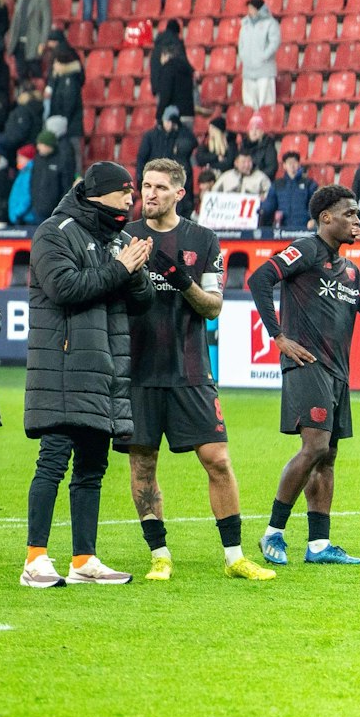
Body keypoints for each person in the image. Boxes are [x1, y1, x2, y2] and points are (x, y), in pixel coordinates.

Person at [123, 160, 276, 581]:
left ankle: (234, 557)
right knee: (143, 466)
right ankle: (160, 554)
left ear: (179, 193)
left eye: (158, 187)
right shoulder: (124, 238)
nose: (148, 194)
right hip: (137, 370)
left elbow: (213, 305)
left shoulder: (203, 240)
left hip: (190, 368)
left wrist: (181, 279)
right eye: (144, 186)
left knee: (218, 460)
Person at [22, 161, 155, 588]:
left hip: (104, 366)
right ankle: (35, 560)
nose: (131, 200)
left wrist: (132, 271)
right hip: (62, 366)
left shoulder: (118, 237)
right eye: (125, 192)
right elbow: (66, 288)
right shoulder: (53, 232)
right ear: (98, 194)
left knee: (92, 467)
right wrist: (121, 268)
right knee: (53, 461)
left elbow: (142, 301)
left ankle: (84, 559)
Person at [250, 185, 360, 567]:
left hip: (338, 372)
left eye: (358, 215)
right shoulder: (306, 249)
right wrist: (278, 337)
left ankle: (320, 545)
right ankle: (273, 533)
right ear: (326, 218)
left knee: (328, 457)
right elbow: (260, 278)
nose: (357, 222)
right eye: (350, 214)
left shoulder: (350, 268)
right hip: (308, 364)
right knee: (315, 447)